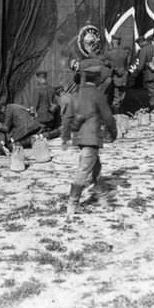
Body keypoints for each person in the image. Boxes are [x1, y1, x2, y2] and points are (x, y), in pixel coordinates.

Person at [60, 66, 118, 217]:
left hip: (79, 138)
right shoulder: (97, 95)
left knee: (95, 169)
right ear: (97, 79)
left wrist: (65, 137)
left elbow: (67, 118)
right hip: (91, 138)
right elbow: (108, 117)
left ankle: (104, 201)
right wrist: (113, 132)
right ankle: (72, 205)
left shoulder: (76, 95)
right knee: (84, 170)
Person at [103, 35, 131, 113]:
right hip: (123, 76)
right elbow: (127, 64)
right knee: (122, 95)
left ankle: (117, 114)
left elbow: (105, 64)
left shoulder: (109, 53)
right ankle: (120, 111)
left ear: (112, 41)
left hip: (114, 76)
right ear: (119, 42)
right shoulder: (125, 52)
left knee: (115, 96)